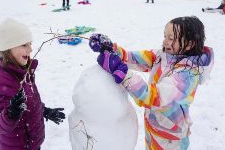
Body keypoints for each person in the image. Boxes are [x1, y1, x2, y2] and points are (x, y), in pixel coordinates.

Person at [89, 16, 214, 150]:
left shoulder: (188, 74)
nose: (165, 41)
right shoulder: (163, 56)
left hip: (170, 137)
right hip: (153, 126)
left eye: (171, 38)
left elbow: (154, 96)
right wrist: (114, 51)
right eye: (165, 36)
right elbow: (136, 58)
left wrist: (122, 73)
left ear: (189, 44)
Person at [0, 18, 66, 150]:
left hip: (32, 144)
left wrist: (44, 111)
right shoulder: (1, 80)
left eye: (30, 44)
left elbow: (30, 101)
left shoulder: (24, 70)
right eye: (24, 45)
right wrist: (11, 114)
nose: (30, 49)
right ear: (8, 48)